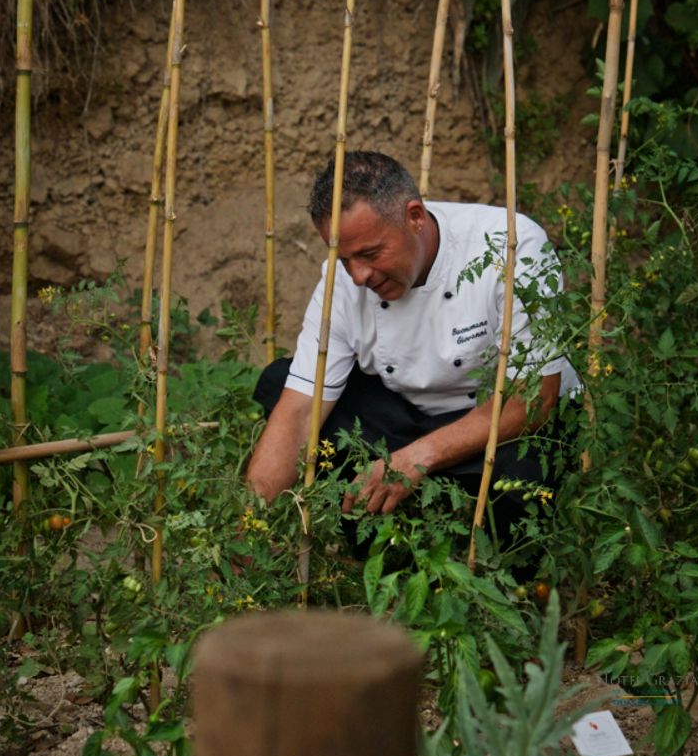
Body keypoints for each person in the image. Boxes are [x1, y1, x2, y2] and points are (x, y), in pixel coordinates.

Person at [245, 150, 578, 543]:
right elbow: (301, 410)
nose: (358, 276)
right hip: (406, 418)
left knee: (524, 473)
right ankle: (366, 536)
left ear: (415, 217)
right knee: (281, 383)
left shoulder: (510, 246)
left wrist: (416, 458)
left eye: (370, 254)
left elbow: (533, 400)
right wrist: (248, 534)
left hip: (500, 425)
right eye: (344, 259)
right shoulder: (342, 281)